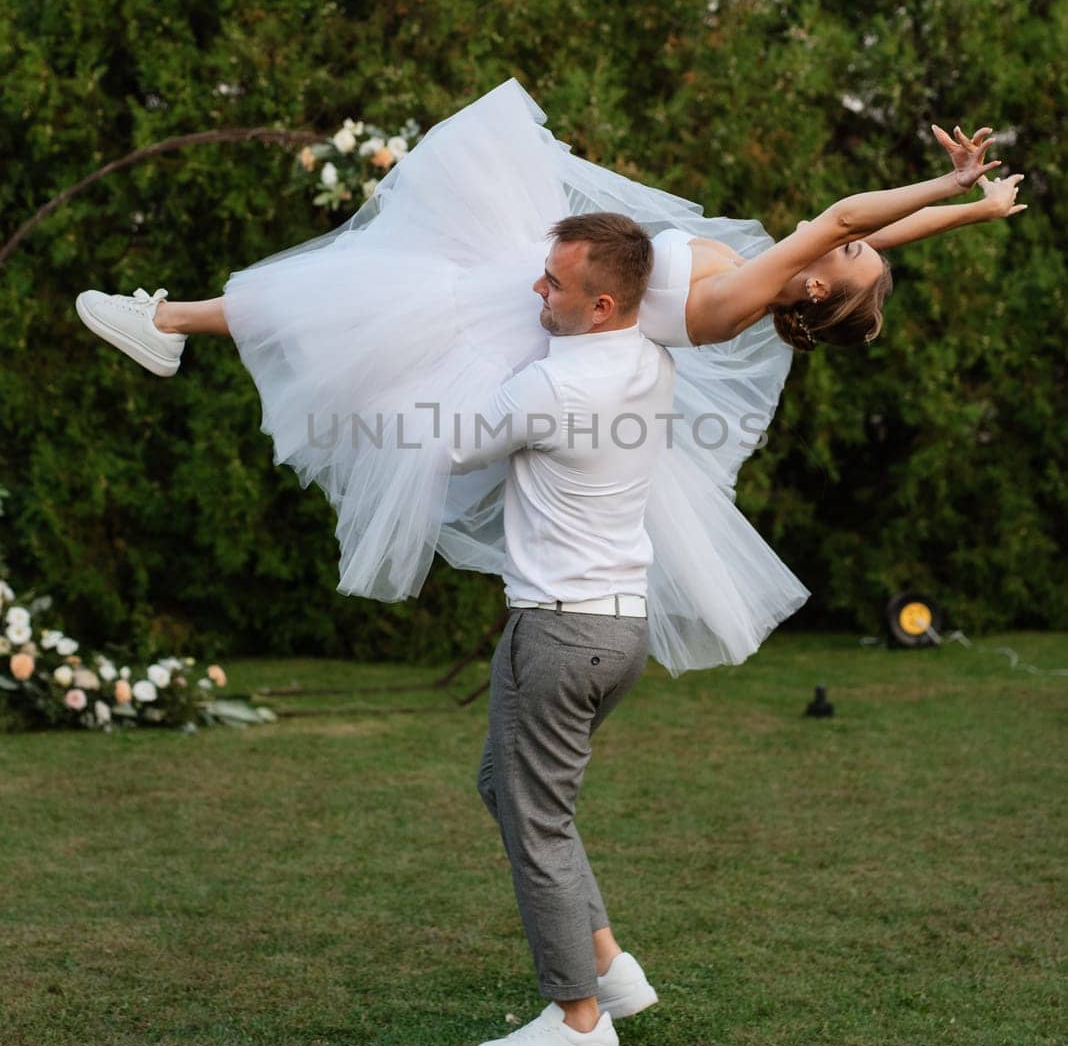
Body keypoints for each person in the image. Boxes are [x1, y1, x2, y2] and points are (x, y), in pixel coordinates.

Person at [74, 81, 1022, 673]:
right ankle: (169, 322)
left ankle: (164, 321)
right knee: (338, 294)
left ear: (818, 280)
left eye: (849, 255)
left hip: (527, 308)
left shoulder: (749, 296)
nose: (853, 240)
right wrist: (973, 214)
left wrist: (942, 184)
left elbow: (851, 212)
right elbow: (871, 235)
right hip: (543, 285)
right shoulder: (777, 278)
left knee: (340, 299)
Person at [451, 211, 672, 1046]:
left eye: (554, 284)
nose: (536, 291)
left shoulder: (549, 388)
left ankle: (578, 1023)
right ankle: (609, 967)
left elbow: (453, 449)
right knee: (505, 790)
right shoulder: (650, 359)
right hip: (621, 629)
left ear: (604, 302)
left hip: (558, 630)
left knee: (536, 819)